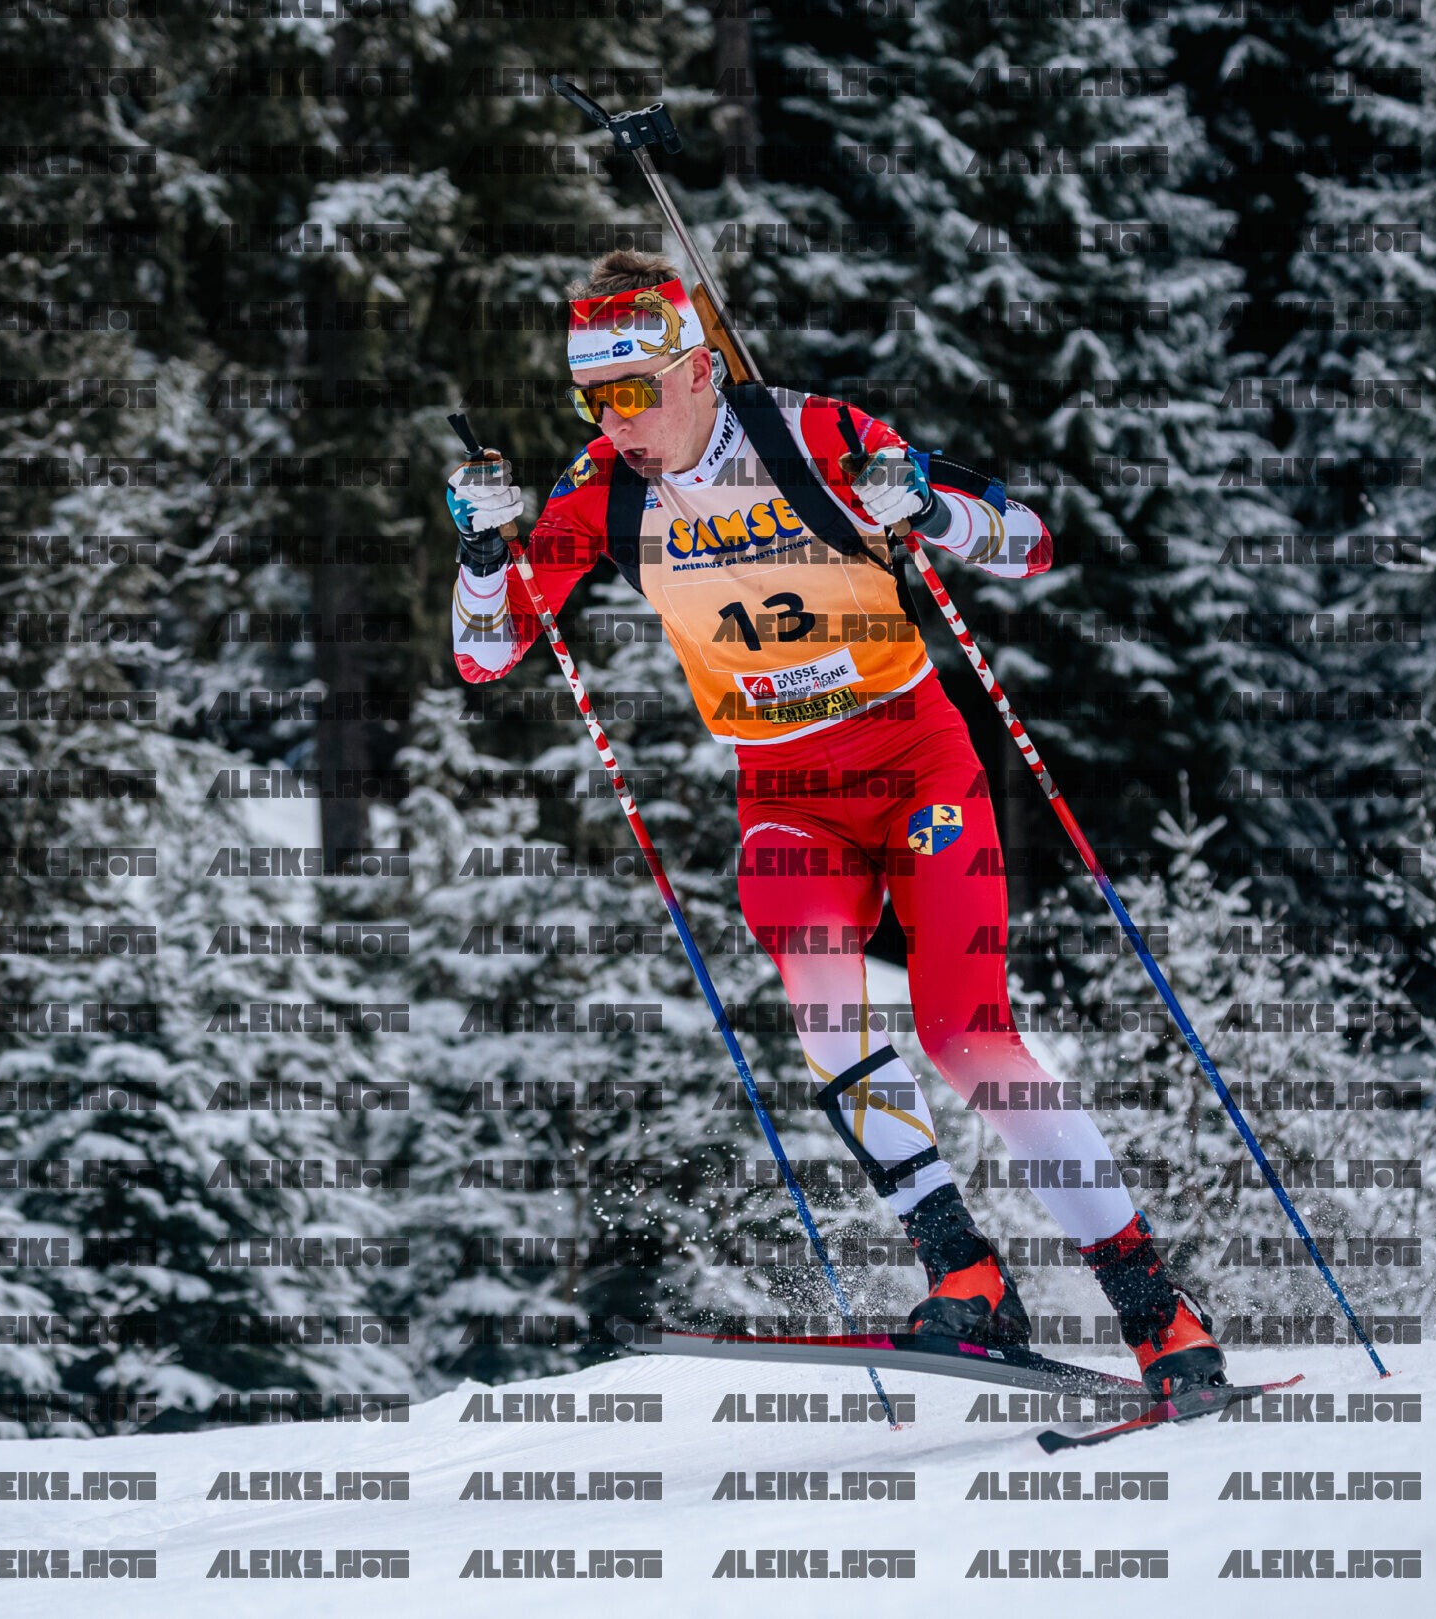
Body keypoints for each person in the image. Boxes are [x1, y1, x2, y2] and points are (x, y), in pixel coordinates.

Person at [445, 250, 1227, 1398]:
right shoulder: (600, 490)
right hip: (784, 793)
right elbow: (486, 651)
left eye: (632, 393)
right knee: (820, 1005)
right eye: (590, 399)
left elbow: (1028, 542)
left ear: (698, 370)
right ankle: (963, 1272)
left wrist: (928, 507)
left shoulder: (813, 434)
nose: (613, 423)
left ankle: (1154, 1309)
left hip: (915, 765)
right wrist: (480, 551)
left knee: (967, 1037)